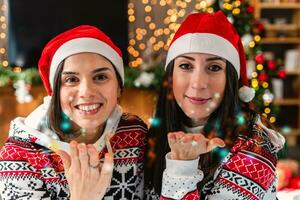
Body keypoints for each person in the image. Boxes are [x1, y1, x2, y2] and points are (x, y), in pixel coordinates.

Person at [144, 11, 285, 200]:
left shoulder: (256, 151)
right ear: (170, 76)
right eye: (186, 66)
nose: (198, 83)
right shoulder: (155, 135)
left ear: (230, 80)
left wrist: (182, 168)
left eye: (214, 67)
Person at [0, 25, 148, 199]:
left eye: (100, 77)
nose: (86, 91)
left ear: (118, 87)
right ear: (55, 92)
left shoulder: (135, 133)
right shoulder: (20, 155)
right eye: (71, 79)